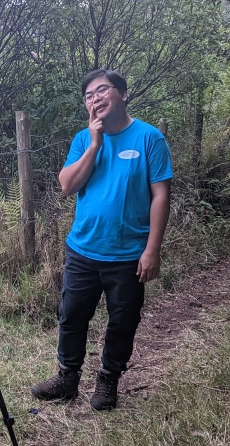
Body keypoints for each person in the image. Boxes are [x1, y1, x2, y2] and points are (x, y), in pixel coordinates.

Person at [31, 68, 172, 411]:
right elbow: (67, 186)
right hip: (83, 249)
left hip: (128, 254)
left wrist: (152, 249)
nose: (96, 98)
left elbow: (160, 196)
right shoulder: (83, 139)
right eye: (89, 96)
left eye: (103, 91)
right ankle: (67, 379)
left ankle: (108, 379)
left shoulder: (149, 138)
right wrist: (95, 143)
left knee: (123, 321)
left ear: (123, 94)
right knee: (72, 316)